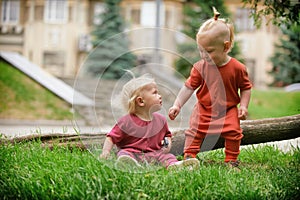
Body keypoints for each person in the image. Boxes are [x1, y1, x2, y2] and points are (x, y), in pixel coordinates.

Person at [168, 8, 252, 168]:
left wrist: (244, 106)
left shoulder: (237, 68)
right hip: (204, 109)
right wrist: (177, 104)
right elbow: (188, 87)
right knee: (193, 131)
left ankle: (231, 161)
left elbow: (246, 88)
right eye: (200, 50)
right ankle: (189, 157)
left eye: (209, 51)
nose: (203, 55)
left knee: (234, 133)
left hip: (228, 110)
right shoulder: (200, 67)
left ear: (226, 47)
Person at [100, 73, 200, 170]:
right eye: (155, 93)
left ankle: (174, 166)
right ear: (141, 101)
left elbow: (167, 136)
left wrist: (167, 145)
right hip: (133, 152)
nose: (160, 96)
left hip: (155, 154)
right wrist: (105, 152)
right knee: (124, 153)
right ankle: (129, 163)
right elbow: (111, 138)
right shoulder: (126, 121)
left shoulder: (161, 120)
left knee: (168, 156)